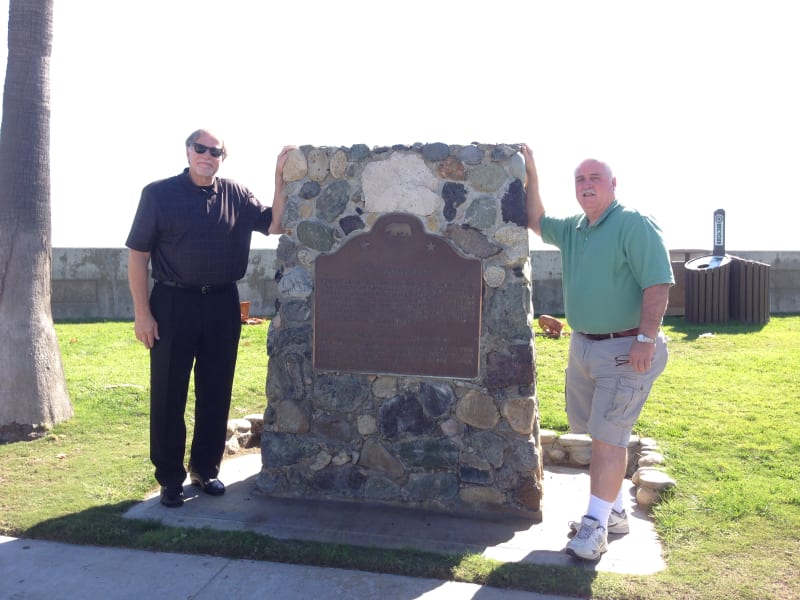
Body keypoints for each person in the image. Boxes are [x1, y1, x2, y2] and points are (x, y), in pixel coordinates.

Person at [126, 128, 294, 507]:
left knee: (216, 391)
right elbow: (138, 256)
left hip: (222, 303)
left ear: (222, 157)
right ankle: (170, 478)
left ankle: (205, 470)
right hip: (172, 303)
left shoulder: (235, 194)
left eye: (215, 151)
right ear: (188, 152)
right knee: (169, 392)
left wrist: (278, 177)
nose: (207, 155)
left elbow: (275, 225)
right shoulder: (158, 195)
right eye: (200, 149)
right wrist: (142, 314)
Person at [521, 144, 673, 560]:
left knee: (608, 439)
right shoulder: (574, 229)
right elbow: (534, 219)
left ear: (612, 185)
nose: (586, 186)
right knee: (598, 433)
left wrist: (645, 338)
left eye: (594, 179)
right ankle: (616, 513)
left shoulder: (633, 223)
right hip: (585, 347)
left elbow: (657, 283)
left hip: (627, 349)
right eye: (580, 180)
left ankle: (594, 528)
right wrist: (531, 168)